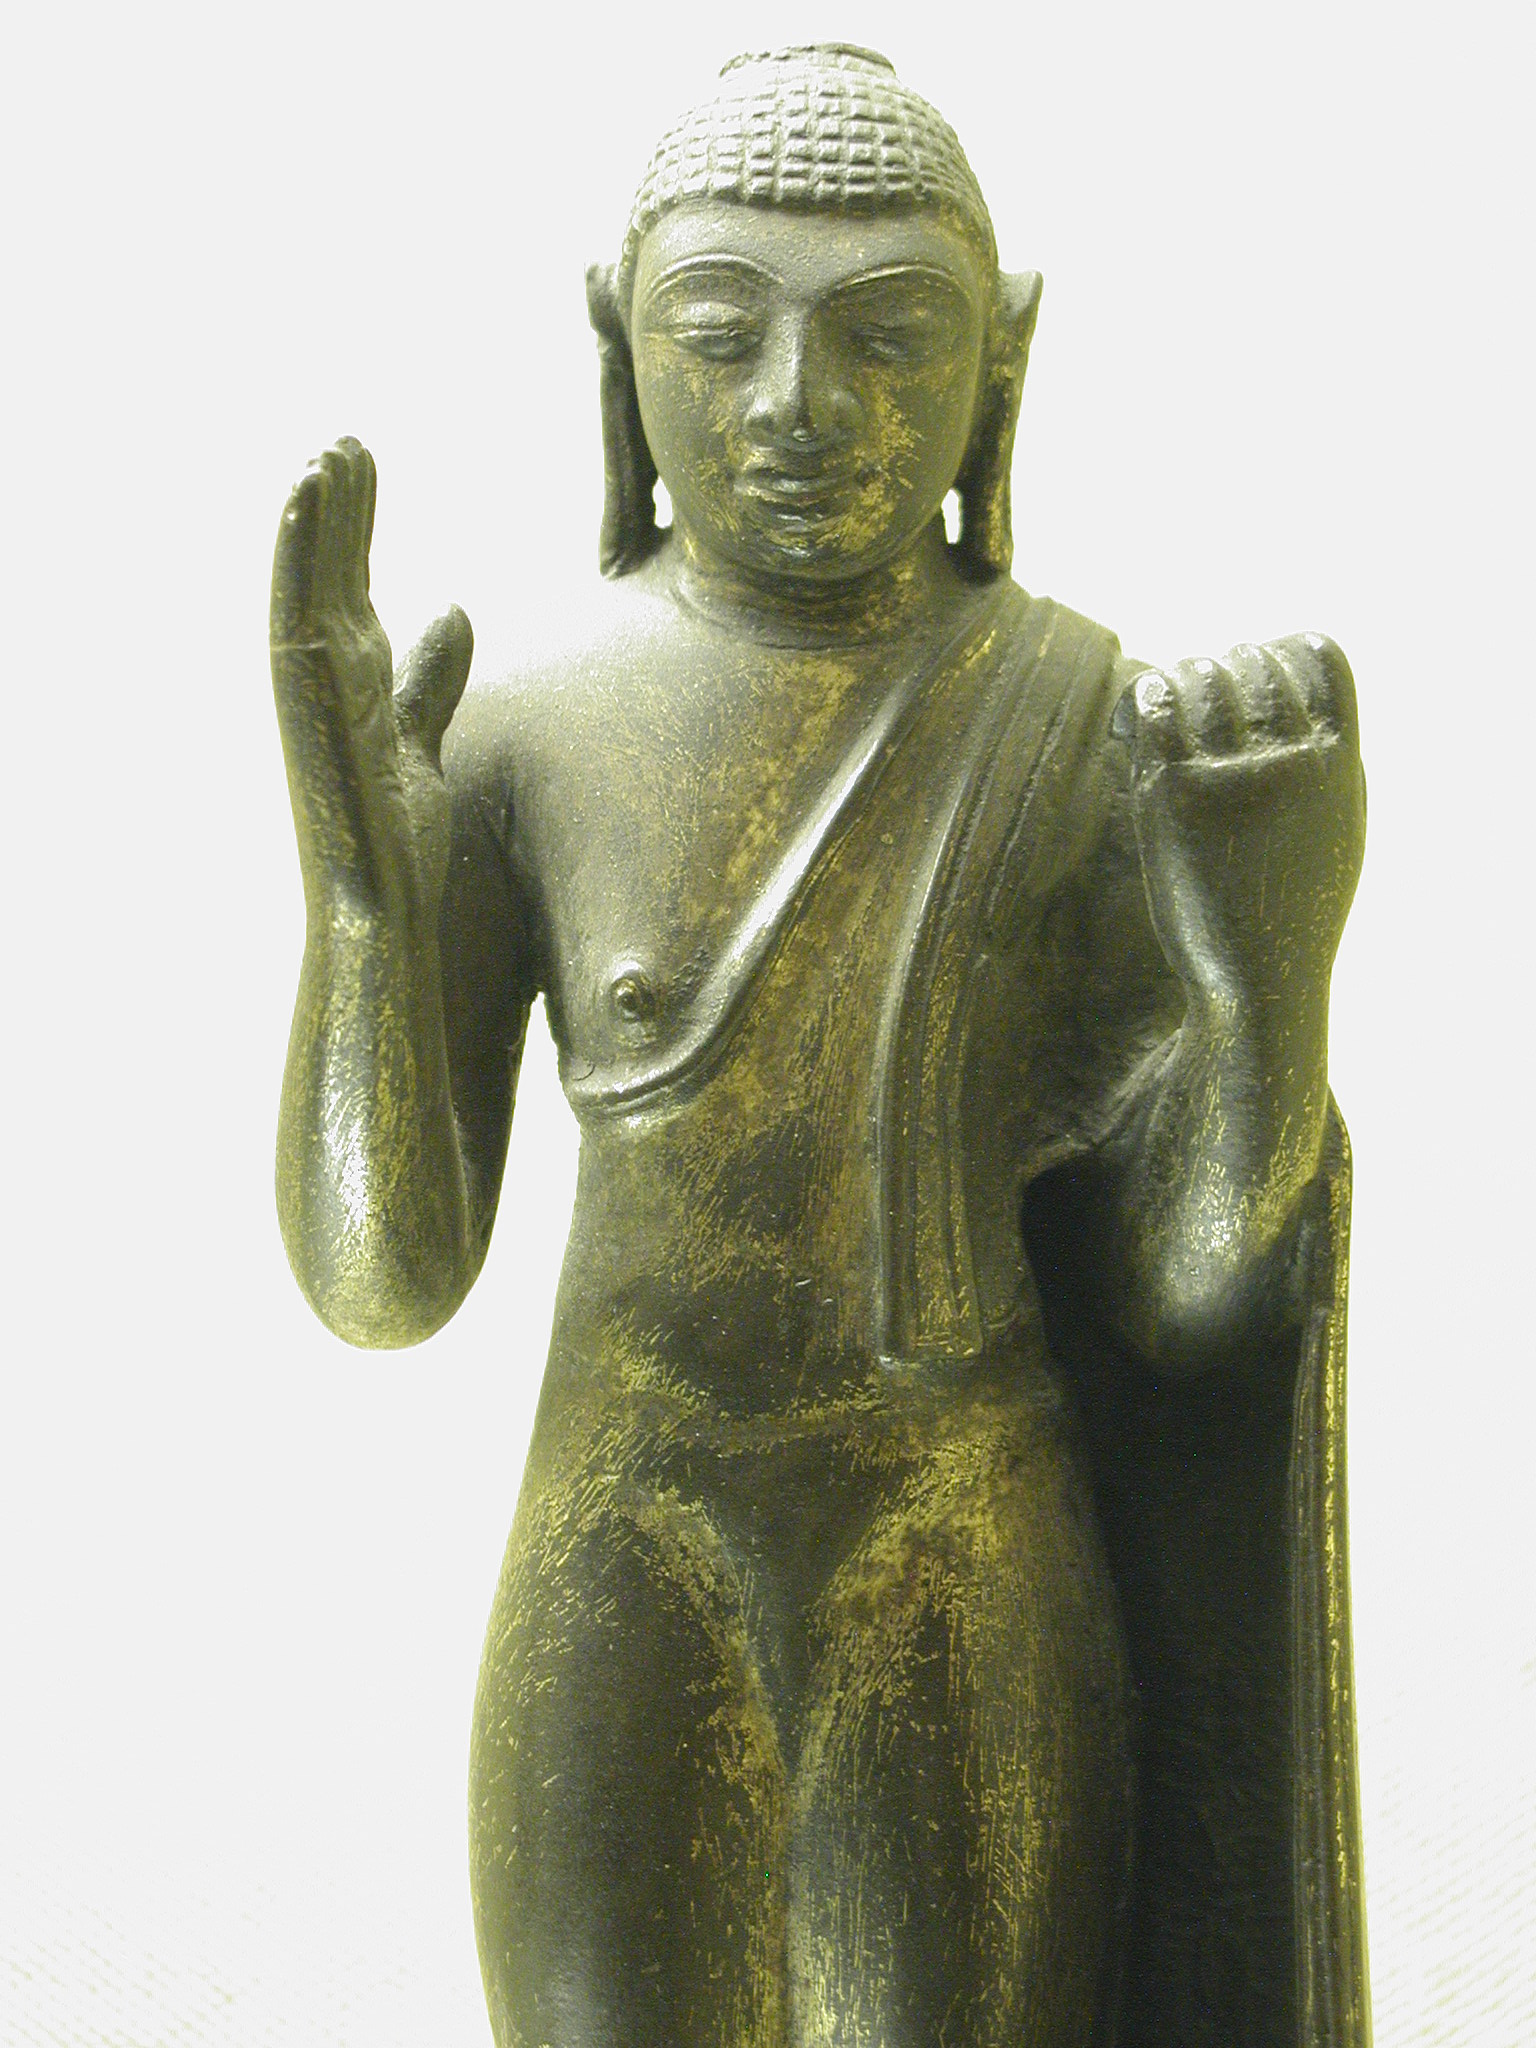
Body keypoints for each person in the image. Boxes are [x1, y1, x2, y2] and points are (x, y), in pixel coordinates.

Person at [269, 45, 1367, 2048]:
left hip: (954, 1550)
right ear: (617, 351)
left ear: (1001, 357)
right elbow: (383, 1281)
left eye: (889, 334)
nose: (798, 402)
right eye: (720, 334)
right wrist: (361, 907)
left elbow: (1194, 1304)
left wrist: (1266, 978)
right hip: (621, 1540)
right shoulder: (523, 729)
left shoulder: (1071, 722)